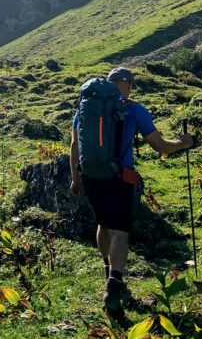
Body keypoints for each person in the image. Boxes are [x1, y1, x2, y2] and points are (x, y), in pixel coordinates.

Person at [69, 66, 194, 319]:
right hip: (120, 178)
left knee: (103, 224)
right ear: (126, 84)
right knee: (121, 232)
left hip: (91, 175)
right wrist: (184, 143)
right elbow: (160, 146)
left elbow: (74, 144)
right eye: (130, 83)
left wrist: (76, 178)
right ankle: (114, 286)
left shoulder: (87, 107)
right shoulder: (134, 109)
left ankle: (108, 272)